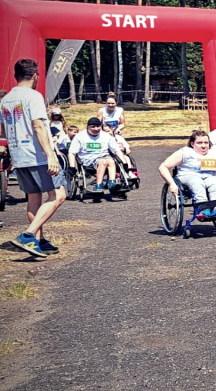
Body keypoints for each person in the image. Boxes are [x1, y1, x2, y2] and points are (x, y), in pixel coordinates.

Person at [0, 59, 66, 257]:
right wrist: (50, 155)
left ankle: (38, 241)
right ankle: (28, 235)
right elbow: (38, 126)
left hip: (19, 156)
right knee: (58, 195)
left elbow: (2, 130)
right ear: (35, 75)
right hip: (37, 156)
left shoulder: (5, 100)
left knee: (34, 197)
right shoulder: (34, 96)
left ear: (15, 75)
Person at [158, 130, 216, 215]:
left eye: (206, 143)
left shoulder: (214, 154)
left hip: (210, 176)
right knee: (196, 181)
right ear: (192, 144)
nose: (203, 146)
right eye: (199, 143)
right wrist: (171, 183)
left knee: (215, 181)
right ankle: (203, 209)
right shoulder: (185, 152)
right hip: (188, 176)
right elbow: (163, 167)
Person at [69, 117, 126, 194]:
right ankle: (98, 185)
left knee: (111, 161)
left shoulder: (106, 136)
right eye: (93, 127)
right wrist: (72, 167)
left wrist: (124, 162)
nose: (96, 129)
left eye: (98, 126)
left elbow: (116, 150)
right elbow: (72, 152)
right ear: (87, 127)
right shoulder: (80, 137)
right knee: (103, 162)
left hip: (104, 157)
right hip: (87, 159)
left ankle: (111, 183)